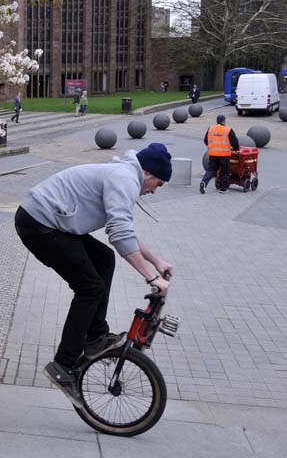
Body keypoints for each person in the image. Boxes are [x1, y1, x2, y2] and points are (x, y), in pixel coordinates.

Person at [14, 142, 174, 407]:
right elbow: (120, 234)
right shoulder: (124, 178)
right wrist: (150, 277)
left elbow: (123, 228)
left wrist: (156, 260)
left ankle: (95, 337)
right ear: (147, 173)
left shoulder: (124, 176)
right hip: (38, 224)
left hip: (52, 223)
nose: (154, 191)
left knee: (103, 258)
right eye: (158, 184)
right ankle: (63, 365)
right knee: (90, 288)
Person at [200, 114, 239, 194]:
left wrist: (212, 146)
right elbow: (235, 142)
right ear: (224, 121)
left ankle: (204, 182)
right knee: (225, 172)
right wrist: (235, 149)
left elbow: (205, 140)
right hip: (224, 155)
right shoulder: (228, 129)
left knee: (211, 170)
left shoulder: (211, 129)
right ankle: (223, 189)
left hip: (213, 154)